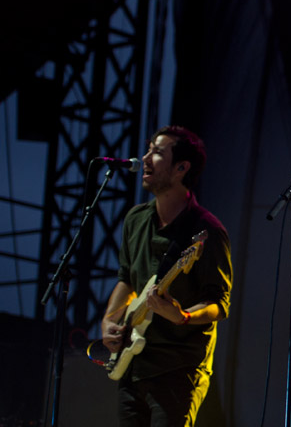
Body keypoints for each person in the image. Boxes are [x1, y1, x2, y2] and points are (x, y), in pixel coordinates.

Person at [102, 126, 233, 426]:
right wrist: (109, 321)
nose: (145, 158)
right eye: (148, 150)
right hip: (133, 366)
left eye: (157, 152)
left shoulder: (208, 231)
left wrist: (182, 316)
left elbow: (219, 304)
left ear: (181, 168)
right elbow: (126, 278)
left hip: (179, 371)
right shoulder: (136, 219)